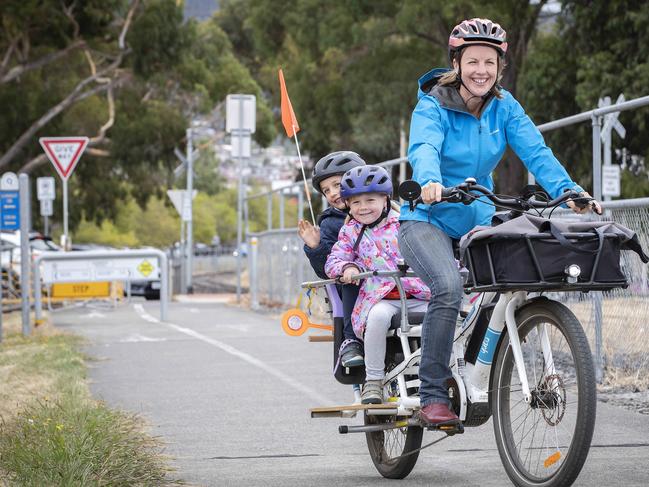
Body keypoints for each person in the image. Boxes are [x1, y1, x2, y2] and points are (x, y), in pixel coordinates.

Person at [398, 17, 602, 425]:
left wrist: (573, 191)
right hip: (427, 218)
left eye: (489, 63)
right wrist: (430, 181)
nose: (481, 71)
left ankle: (476, 367)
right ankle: (434, 396)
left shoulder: (505, 107)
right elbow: (423, 147)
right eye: (472, 61)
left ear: (499, 67)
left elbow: (536, 152)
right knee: (448, 286)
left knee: (519, 274)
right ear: (456, 63)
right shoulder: (433, 104)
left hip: (477, 216)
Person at [325, 165, 431, 404]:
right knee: (377, 319)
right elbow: (335, 257)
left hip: (418, 294)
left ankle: (437, 377)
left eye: (370, 200)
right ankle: (373, 380)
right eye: (355, 203)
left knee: (443, 316)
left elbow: (431, 250)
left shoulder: (406, 222)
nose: (363, 208)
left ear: (386, 199)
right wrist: (347, 268)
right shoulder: (351, 230)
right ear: (348, 205)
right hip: (381, 298)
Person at [298, 151, 366, 367]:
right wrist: (316, 247)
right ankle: (351, 341)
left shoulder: (385, 210)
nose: (333, 193)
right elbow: (327, 268)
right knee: (349, 275)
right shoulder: (330, 222)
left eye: (338, 184)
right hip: (356, 284)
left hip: (388, 279)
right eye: (326, 190)